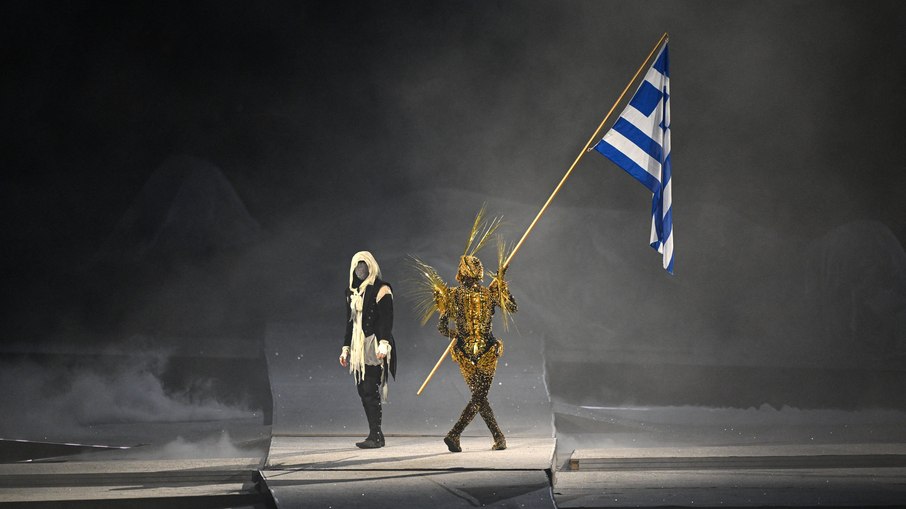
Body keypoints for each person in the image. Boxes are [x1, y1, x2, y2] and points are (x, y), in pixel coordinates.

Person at [412, 209, 516, 452]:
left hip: (472, 352)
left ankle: (495, 438)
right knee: (480, 396)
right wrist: (501, 285)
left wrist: (457, 335)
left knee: (479, 396)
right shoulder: (476, 294)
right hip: (480, 352)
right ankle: (458, 434)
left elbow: (441, 328)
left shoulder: (458, 295)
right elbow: (512, 307)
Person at [339, 251, 396, 449]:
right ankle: (375, 433)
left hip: (373, 344)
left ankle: (376, 435)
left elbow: (386, 319)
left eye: (363, 266)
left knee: (370, 388)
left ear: (371, 266)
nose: (360, 270)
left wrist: (384, 343)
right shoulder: (351, 291)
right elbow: (350, 322)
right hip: (357, 346)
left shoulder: (381, 288)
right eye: (357, 266)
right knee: (363, 389)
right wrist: (345, 347)